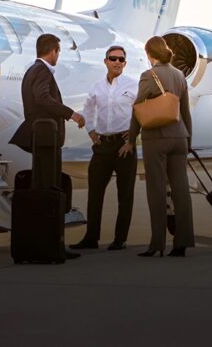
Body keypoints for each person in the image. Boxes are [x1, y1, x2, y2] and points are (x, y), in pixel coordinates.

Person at [9, 33, 86, 259]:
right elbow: (42, 98)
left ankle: (47, 243)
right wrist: (71, 114)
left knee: (43, 187)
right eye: (58, 52)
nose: (58, 56)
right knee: (50, 188)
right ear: (53, 51)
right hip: (45, 138)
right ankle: (53, 245)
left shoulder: (31, 70)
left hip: (40, 138)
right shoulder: (42, 71)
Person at [120, 36, 194, 257]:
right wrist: (188, 140)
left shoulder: (148, 75)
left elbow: (138, 109)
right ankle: (182, 242)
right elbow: (185, 112)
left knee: (157, 191)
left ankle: (157, 244)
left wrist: (131, 139)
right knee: (181, 192)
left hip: (157, 138)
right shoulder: (180, 75)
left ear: (148, 53)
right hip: (179, 137)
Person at [69, 45, 138, 251]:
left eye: (121, 60)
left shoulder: (133, 86)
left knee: (125, 194)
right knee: (95, 193)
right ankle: (91, 238)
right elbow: (88, 109)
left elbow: (142, 112)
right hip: (102, 146)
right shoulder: (97, 87)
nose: (117, 62)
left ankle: (120, 239)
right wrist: (91, 131)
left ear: (125, 64)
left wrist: (133, 138)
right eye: (113, 58)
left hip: (124, 146)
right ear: (106, 61)